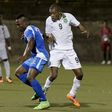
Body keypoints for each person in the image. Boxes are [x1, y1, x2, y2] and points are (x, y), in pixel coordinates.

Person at [32, 3, 89, 108]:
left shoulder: (68, 16)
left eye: (53, 13)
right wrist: (48, 37)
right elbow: (48, 36)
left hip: (69, 50)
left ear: (59, 12)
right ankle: (43, 92)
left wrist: (84, 30)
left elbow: (78, 25)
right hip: (55, 50)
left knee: (80, 74)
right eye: (50, 14)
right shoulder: (48, 20)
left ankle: (72, 95)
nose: (52, 16)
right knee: (53, 75)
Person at [15, 14, 50, 110]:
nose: (18, 27)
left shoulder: (28, 30)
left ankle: (44, 101)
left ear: (25, 22)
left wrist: (24, 56)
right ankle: (39, 91)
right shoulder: (32, 28)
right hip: (35, 56)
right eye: (16, 25)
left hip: (41, 56)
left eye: (19, 24)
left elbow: (32, 40)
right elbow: (39, 36)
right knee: (18, 72)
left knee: (30, 77)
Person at [0, 15, 12, 83]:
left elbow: (7, 38)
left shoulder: (4, 27)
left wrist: (9, 47)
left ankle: (8, 77)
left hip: (2, 47)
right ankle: (0, 77)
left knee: (5, 60)